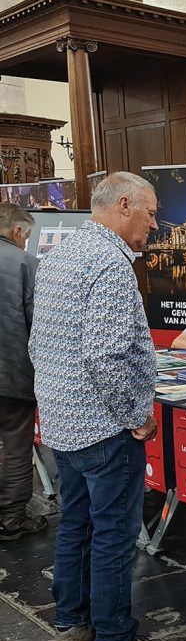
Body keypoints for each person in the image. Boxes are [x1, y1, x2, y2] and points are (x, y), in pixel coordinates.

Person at [29, 172, 179, 641]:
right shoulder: (110, 265)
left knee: (74, 525)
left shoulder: (59, 256)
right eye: (151, 212)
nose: (155, 223)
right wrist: (136, 415)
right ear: (123, 206)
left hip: (63, 423)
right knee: (113, 535)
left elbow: (40, 342)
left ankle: (72, 637)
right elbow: (105, 356)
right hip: (104, 428)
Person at [0, 204, 46, 541]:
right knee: (17, 447)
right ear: (17, 231)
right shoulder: (25, 264)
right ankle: (11, 519)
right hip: (14, 374)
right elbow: (39, 327)